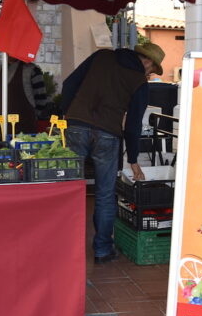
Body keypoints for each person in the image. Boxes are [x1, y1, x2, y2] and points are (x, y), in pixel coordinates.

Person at [60, 42, 166, 264]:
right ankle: (102, 250)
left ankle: (65, 248)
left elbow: (69, 84)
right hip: (108, 134)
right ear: (147, 61)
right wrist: (134, 159)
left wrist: (69, 116)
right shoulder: (139, 81)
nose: (149, 75)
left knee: (69, 189)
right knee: (105, 195)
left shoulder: (101, 56)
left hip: (77, 126)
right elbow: (134, 124)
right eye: (151, 70)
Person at [0, 57, 50, 134]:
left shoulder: (32, 70)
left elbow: (41, 99)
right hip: (3, 126)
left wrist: (33, 115)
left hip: (25, 126)